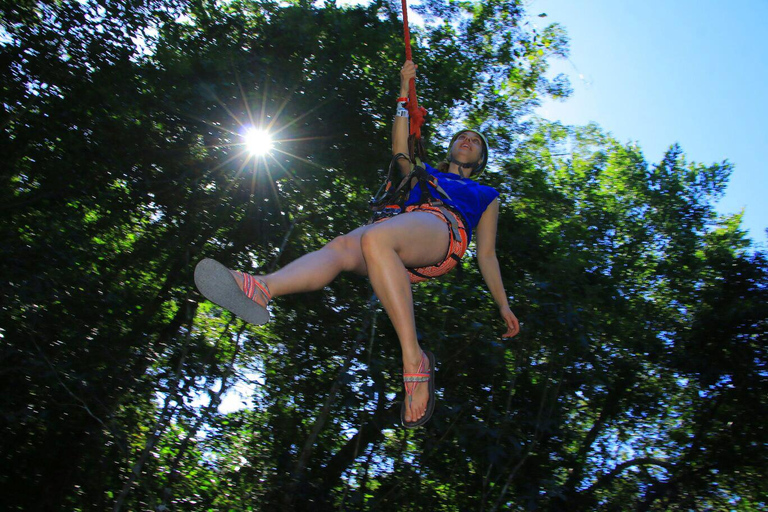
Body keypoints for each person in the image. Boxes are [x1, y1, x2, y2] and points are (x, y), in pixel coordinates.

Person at [194, 60, 520, 428]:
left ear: (480, 159)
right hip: (401, 235)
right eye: (463, 136)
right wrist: (402, 90)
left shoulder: (486, 194)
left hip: (444, 230)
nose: (468, 140)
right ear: (451, 146)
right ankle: (261, 288)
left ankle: (413, 360)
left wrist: (503, 305)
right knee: (340, 249)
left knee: (377, 238)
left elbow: (487, 254)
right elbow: (400, 149)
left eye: (476, 142)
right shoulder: (424, 174)